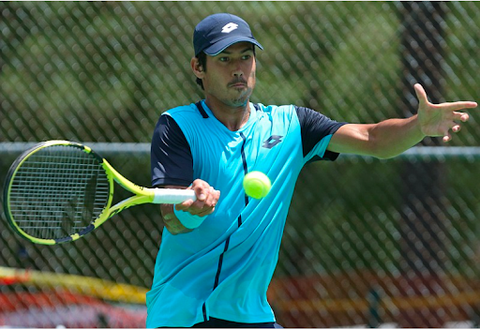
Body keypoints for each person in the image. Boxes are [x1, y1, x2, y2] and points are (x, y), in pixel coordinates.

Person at [148, 13, 477, 328]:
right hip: (186, 313)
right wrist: (194, 210)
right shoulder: (178, 126)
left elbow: (373, 139)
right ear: (198, 67)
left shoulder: (291, 125)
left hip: (250, 313)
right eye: (224, 59)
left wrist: (417, 126)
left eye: (245, 57)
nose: (238, 69)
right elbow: (173, 219)